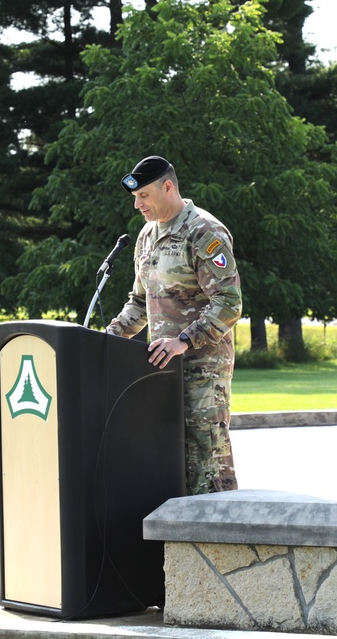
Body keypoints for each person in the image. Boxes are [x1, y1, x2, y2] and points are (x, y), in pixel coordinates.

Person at [105, 155, 243, 495]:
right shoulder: (147, 236)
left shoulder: (204, 232)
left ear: (168, 187)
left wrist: (184, 339)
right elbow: (139, 303)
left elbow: (229, 302)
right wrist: (104, 340)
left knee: (206, 461)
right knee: (170, 460)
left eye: (144, 196)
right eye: (135, 198)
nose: (138, 204)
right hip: (161, 368)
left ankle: (216, 541)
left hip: (202, 368)